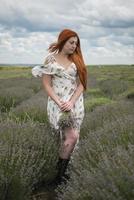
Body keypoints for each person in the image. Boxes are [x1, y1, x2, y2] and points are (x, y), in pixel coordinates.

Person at [32, 29, 87, 186]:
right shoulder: (50, 59)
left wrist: (71, 102)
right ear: (63, 41)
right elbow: (46, 84)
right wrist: (59, 102)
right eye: (71, 42)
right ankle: (60, 176)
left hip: (75, 103)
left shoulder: (77, 59)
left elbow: (82, 84)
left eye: (76, 44)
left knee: (71, 137)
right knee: (70, 137)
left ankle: (62, 174)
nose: (74, 46)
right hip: (57, 103)